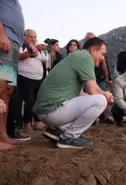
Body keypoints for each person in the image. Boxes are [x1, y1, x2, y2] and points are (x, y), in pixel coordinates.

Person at [33, 37, 113, 149]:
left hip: (45, 111)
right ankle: (68, 137)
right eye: (102, 54)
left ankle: (59, 130)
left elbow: (80, 94)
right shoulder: (85, 57)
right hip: (52, 111)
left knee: (96, 100)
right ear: (93, 50)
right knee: (100, 101)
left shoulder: (77, 57)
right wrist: (106, 95)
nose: (103, 58)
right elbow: (92, 90)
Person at [0, 0, 38, 150]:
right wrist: (2, 34)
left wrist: (28, 44)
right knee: (1, 87)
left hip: (13, 44)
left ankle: (2, 135)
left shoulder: (16, 4)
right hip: (4, 41)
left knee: (7, 90)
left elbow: (16, 27)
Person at [18, 29, 48, 130]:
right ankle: (27, 122)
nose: (34, 39)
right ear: (25, 37)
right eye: (31, 37)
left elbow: (44, 60)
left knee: (38, 100)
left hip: (38, 78)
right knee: (29, 100)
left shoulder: (39, 48)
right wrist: (33, 49)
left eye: (35, 37)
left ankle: (37, 122)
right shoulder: (20, 45)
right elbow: (20, 57)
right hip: (25, 77)